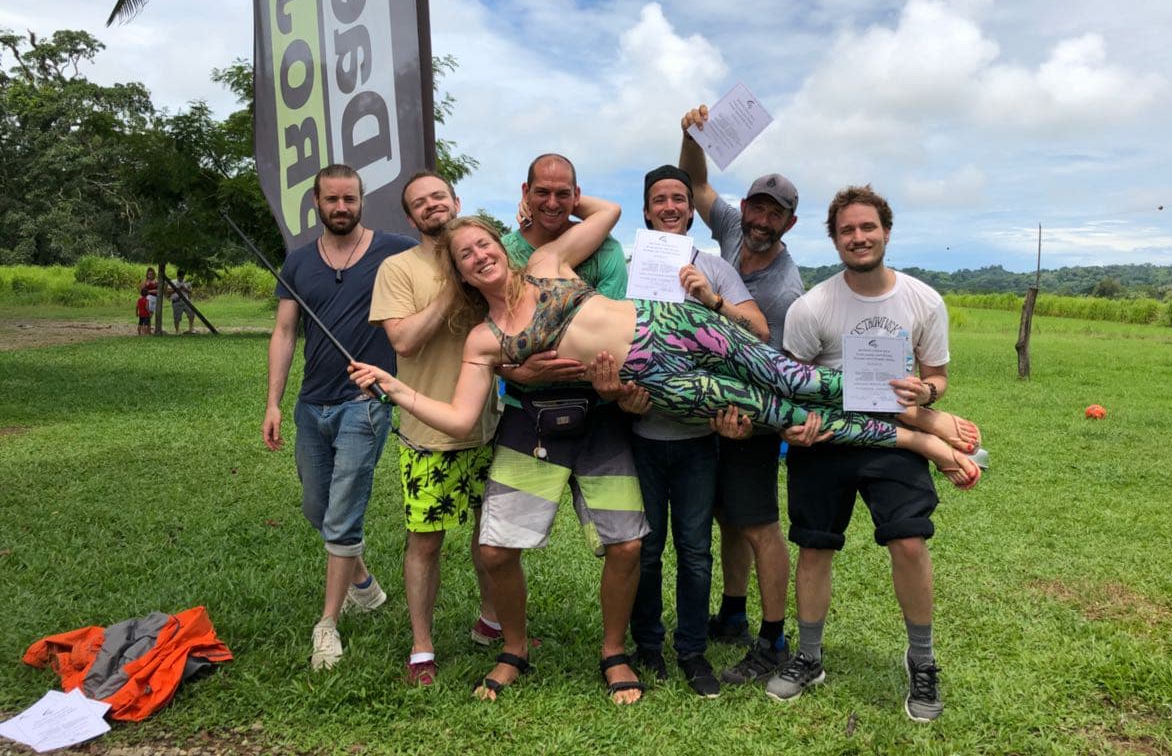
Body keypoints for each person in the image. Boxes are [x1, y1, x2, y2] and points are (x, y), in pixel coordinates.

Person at [348, 203, 982, 681]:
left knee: (798, 380)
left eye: (485, 243)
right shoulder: (484, 339)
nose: (479, 257)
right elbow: (460, 420)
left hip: (674, 326)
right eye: (466, 256)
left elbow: (607, 210)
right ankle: (914, 439)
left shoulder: (546, 262)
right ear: (457, 272)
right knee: (780, 414)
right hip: (659, 383)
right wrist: (395, 389)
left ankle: (922, 418)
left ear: (503, 244)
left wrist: (546, 208)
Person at [767, 184, 977, 718]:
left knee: (909, 543)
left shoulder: (923, 300)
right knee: (816, 547)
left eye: (867, 227)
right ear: (834, 240)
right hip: (828, 442)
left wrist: (926, 393)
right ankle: (809, 656)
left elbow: (937, 376)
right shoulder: (812, 307)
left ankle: (923, 661)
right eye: (847, 230)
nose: (858, 238)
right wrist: (795, 428)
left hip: (890, 441)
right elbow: (793, 385)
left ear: (885, 230)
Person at [484, 154, 647, 704]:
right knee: (497, 549)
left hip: (599, 414)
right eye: (543, 193)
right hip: (531, 416)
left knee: (625, 545)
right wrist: (514, 369)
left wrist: (611, 385)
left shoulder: (601, 250)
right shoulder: (502, 252)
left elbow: (614, 328)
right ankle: (514, 646)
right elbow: (485, 332)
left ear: (576, 194)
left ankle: (613, 651)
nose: (553, 205)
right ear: (524, 190)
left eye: (564, 194)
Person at [261, 164, 417, 670]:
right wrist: (273, 403)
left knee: (344, 509)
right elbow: (285, 333)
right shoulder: (299, 261)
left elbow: (446, 254)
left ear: (361, 199)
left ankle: (327, 623)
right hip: (311, 403)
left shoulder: (393, 249)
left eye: (350, 198)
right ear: (317, 203)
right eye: (332, 200)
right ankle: (364, 585)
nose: (342, 207)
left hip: (364, 402)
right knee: (316, 507)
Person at [625, 165, 767, 698]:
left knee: (694, 549)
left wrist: (710, 298)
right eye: (659, 198)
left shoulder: (714, 268)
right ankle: (647, 645)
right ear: (645, 210)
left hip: (697, 441)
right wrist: (621, 396)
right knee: (645, 548)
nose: (669, 206)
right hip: (639, 434)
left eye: (679, 199)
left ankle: (691, 652)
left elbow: (758, 331)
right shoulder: (629, 267)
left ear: (691, 210)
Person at [678, 104, 803, 684]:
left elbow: (771, 363)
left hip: (749, 413)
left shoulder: (782, 289)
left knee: (757, 524)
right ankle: (732, 612)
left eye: (773, 214)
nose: (759, 219)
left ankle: (773, 640)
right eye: (756, 206)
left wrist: (749, 424)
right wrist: (690, 135)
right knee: (728, 517)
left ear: (788, 225)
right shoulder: (729, 230)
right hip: (713, 403)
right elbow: (696, 183)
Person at [369, 172, 501, 687]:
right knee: (426, 541)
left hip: (491, 426)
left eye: (438, 197)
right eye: (420, 204)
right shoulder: (398, 268)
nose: (431, 207)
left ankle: (491, 621)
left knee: (491, 537)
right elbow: (402, 341)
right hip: (429, 433)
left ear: (456, 201)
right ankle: (422, 646)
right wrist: (451, 286)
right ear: (410, 218)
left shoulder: (482, 255)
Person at [168, 269, 195, 334]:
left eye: (183, 276)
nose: (182, 278)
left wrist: (184, 289)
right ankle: (177, 331)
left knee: (191, 314)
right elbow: (168, 291)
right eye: (180, 277)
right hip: (176, 301)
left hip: (186, 301)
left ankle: (190, 329)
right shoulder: (173, 282)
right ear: (177, 276)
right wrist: (177, 289)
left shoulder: (187, 282)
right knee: (177, 318)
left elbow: (191, 292)